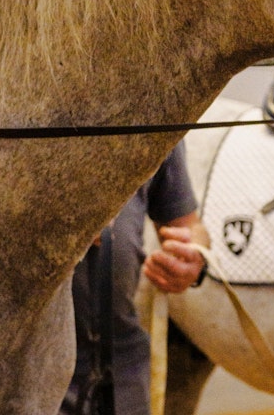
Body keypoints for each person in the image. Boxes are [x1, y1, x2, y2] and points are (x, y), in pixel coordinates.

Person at [61, 142, 210, 415]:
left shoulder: (158, 119)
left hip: (123, 366)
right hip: (31, 366)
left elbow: (189, 225)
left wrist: (193, 258)